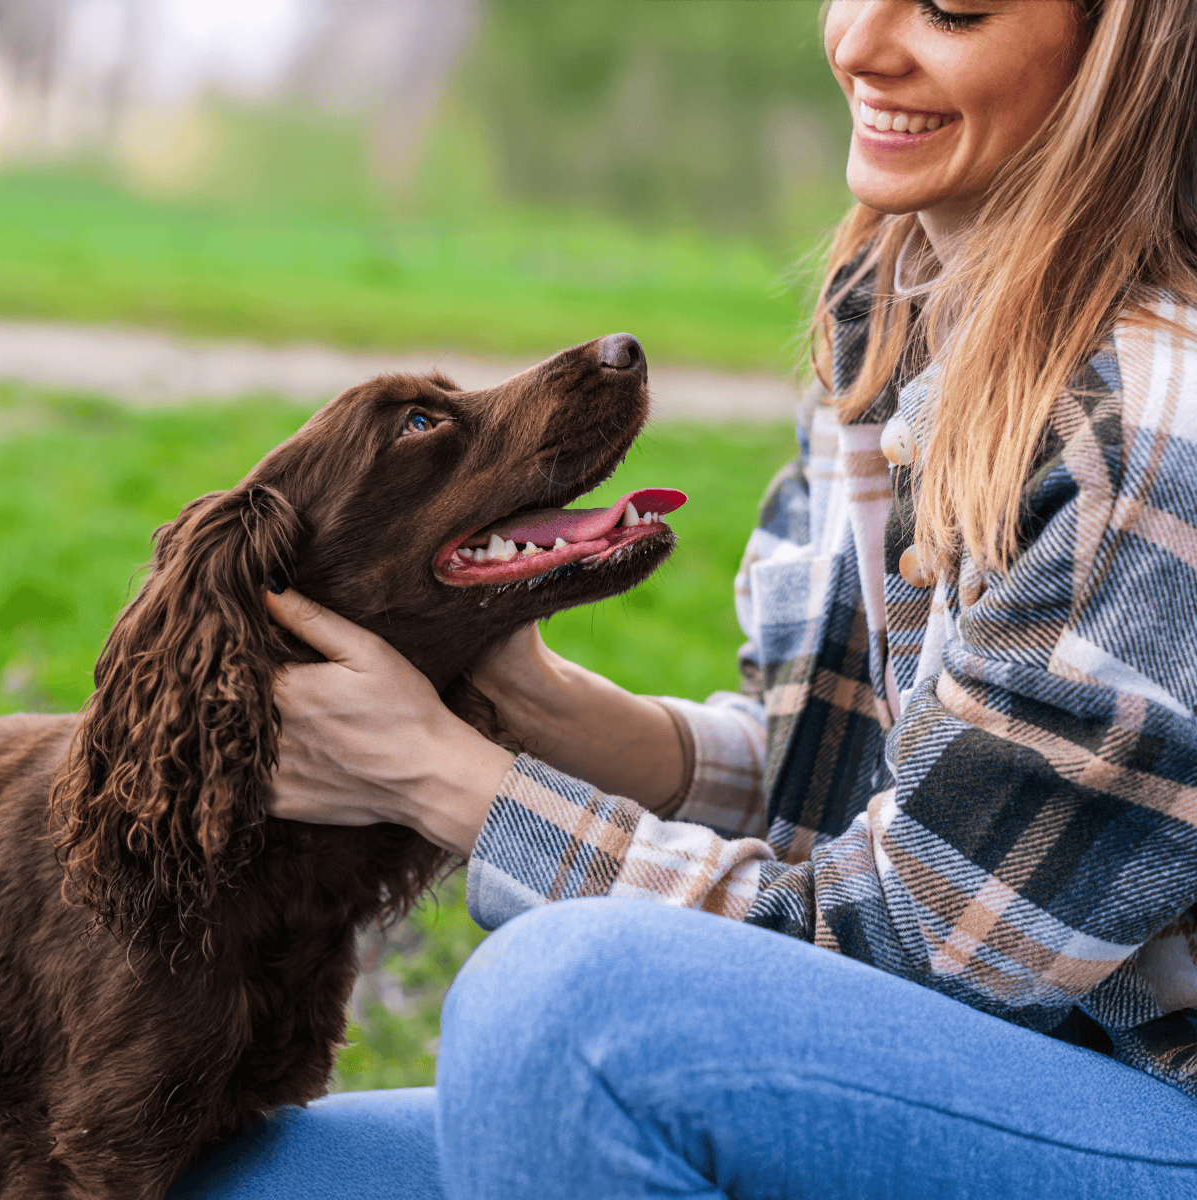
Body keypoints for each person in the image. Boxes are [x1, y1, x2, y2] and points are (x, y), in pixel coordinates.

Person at [170, 0, 1197, 1196]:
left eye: (952, 8)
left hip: (1143, 1099)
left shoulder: (1149, 435)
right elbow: (846, 777)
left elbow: (914, 951)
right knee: (253, 1183)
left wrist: (444, 780)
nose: (859, 43)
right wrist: (534, 708)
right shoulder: (897, 309)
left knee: (571, 1018)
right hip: (975, 1063)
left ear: (1122, 44)